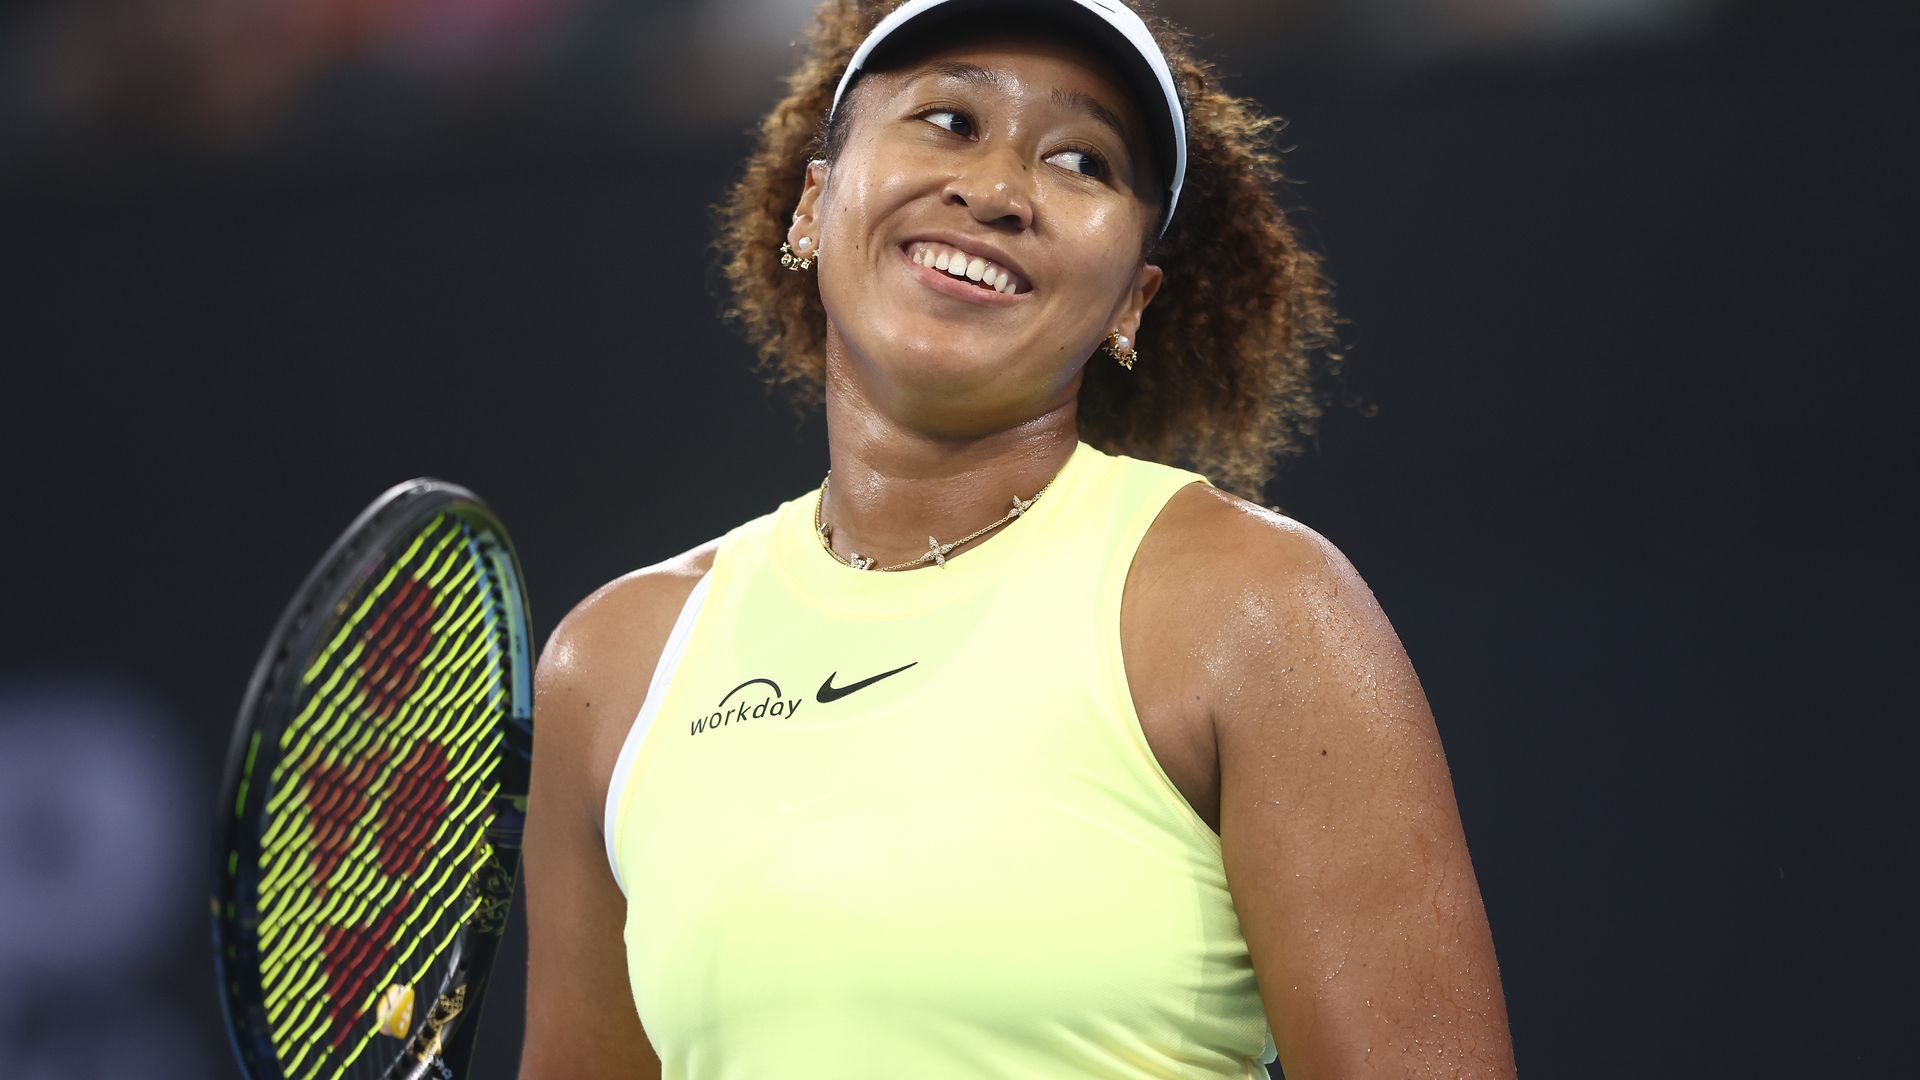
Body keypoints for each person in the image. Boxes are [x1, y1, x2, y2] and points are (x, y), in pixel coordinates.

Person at [520, 0, 1517, 1076]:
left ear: (1131, 304)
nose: (995, 191)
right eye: (949, 122)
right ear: (812, 205)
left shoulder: (1254, 607)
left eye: (1082, 161)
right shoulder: (613, 669)